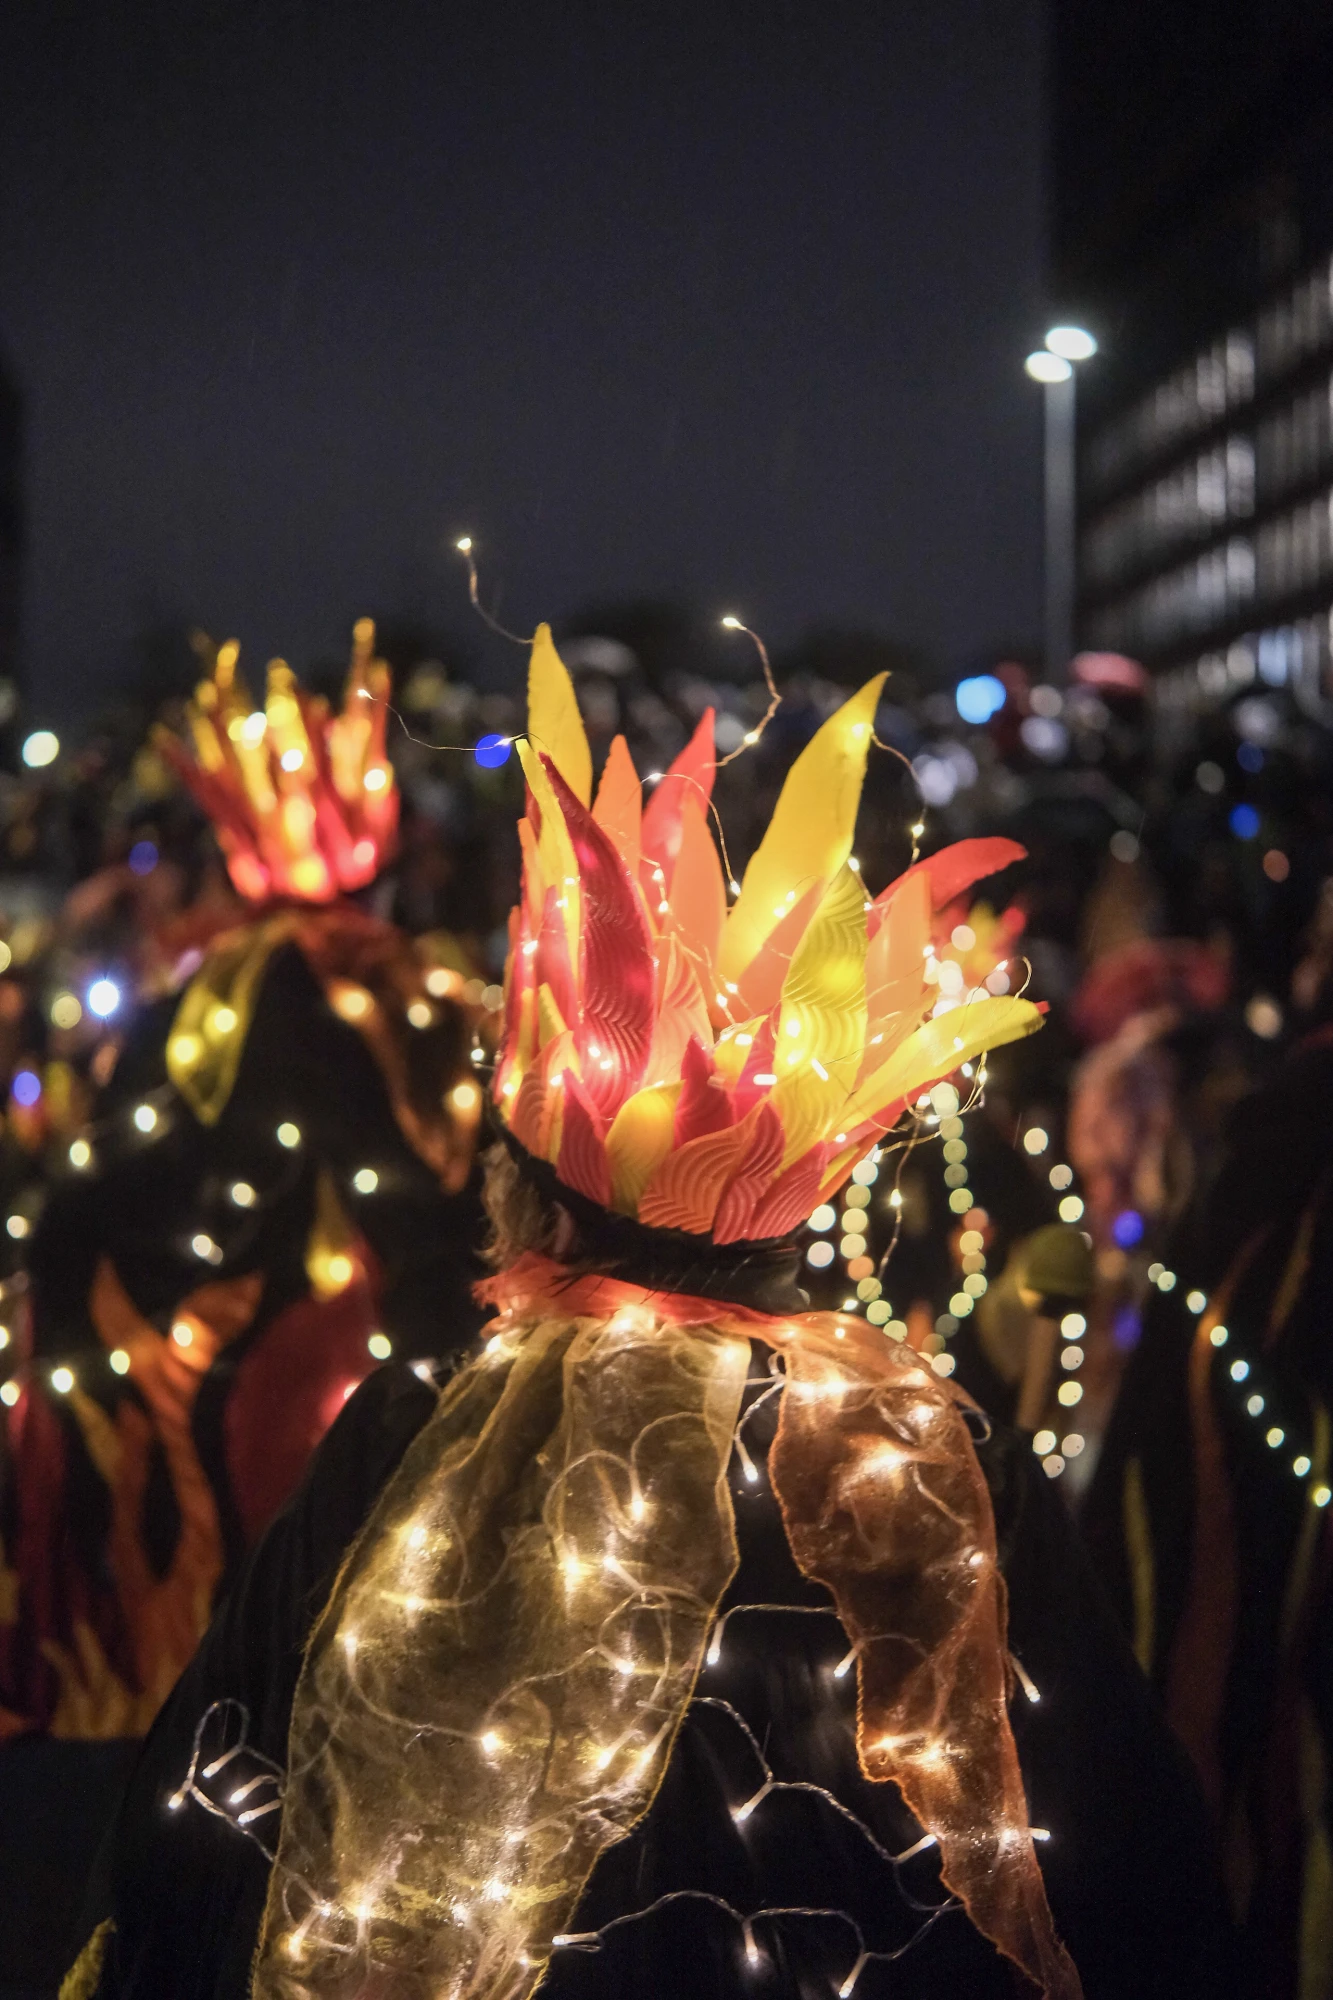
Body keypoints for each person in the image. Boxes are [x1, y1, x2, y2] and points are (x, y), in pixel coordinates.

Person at [71, 630, 1229, 2000]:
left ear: (529, 1194)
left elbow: (201, 1835)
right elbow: (1135, 1861)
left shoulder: (409, 1433)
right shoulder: (928, 1458)